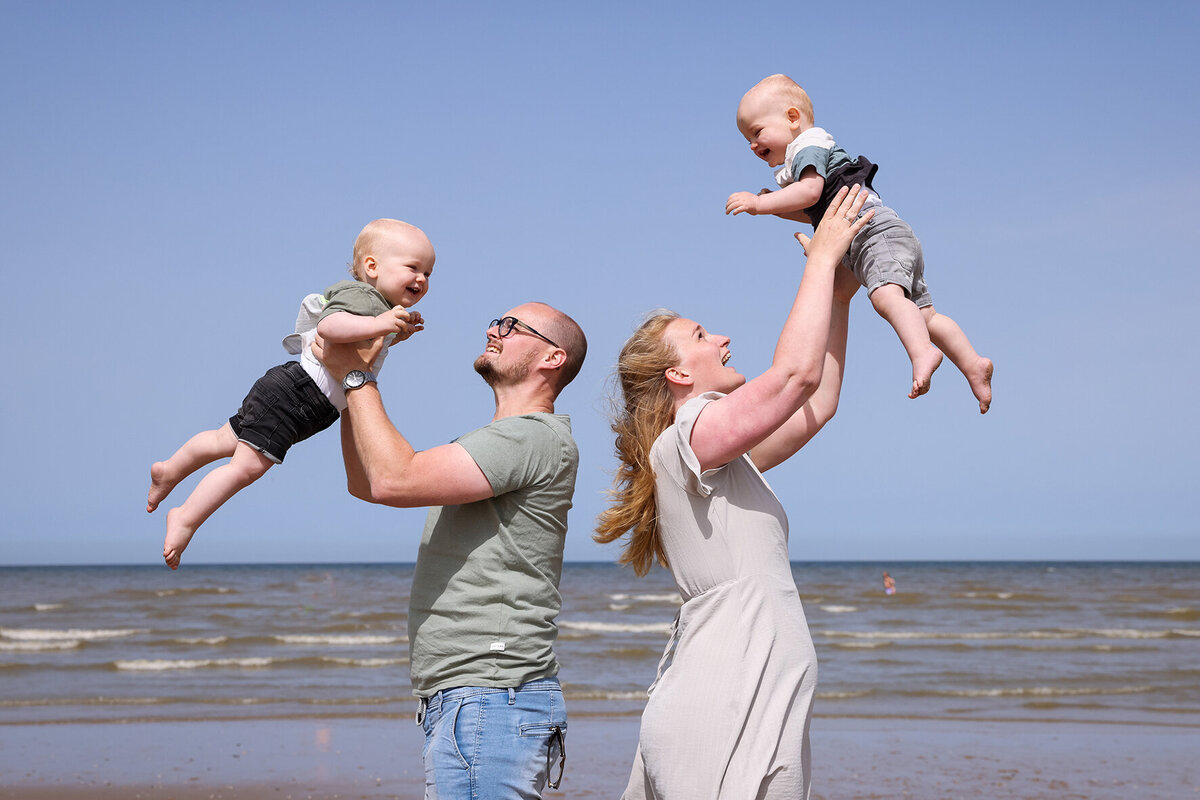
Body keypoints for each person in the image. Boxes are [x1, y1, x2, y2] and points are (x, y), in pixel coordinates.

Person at [596, 186, 871, 799]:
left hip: (754, 694)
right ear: (679, 374)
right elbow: (794, 376)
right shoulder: (690, 433)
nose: (721, 338)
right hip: (725, 699)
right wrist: (821, 260)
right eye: (700, 335)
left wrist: (838, 297)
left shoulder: (719, 455)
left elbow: (816, 400)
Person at [314, 301, 586, 800]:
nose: (492, 329)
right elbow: (369, 482)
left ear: (552, 358)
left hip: (491, 692)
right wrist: (355, 381)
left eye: (510, 326)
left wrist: (355, 374)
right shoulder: (501, 438)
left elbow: (396, 477)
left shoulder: (530, 437)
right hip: (474, 695)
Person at [147, 219, 434, 569]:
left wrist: (393, 333)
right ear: (372, 267)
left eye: (429, 273)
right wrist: (380, 325)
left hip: (299, 396)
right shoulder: (361, 297)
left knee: (226, 438)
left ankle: (169, 470)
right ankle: (186, 518)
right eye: (413, 267)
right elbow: (330, 327)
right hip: (298, 395)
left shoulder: (378, 308)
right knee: (248, 467)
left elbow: (361, 349)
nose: (422, 279)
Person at [726, 74, 993, 413]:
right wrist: (773, 210)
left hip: (873, 234)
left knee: (885, 297)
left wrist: (760, 203)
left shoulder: (806, 147)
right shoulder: (808, 160)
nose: (752, 144)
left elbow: (808, 195)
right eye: (747, 138)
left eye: (756, 132)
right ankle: (973, 364)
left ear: (792, 119)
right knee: (924, 314)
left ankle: (922, 352)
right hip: (885, 234)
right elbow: (816, 210)